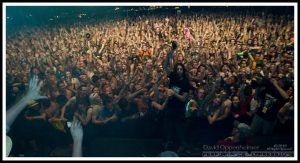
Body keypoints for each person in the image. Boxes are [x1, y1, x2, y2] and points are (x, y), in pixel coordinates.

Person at [6, 75, 46, 157]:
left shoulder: (19, 95)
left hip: (23, 119)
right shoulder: (16, 96)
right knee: (24, 136)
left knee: (27, 135)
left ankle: (30, 150)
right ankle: (24, 152)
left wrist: (26, 100)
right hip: (20, 121)